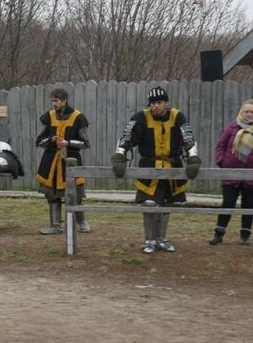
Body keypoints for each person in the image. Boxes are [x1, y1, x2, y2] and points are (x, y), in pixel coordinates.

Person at [111, 86, 200, 254]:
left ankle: (162, 238)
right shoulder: (141, 118)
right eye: (153, 103)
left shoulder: (177, 116)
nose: (156, 106)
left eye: (159, 102)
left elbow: (188, 137)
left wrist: (193, 158)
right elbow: (126, 138)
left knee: (167, 204)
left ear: (165, 103)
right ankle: (149, 240)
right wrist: (119, 156)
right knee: (150, 204)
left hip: (172, 166)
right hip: (149, 166)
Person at [35, 88, 91, 235]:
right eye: (53, 100)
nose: (54, 104)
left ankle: (82, 223)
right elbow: (39, 142)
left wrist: (68, 142)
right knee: (53, 195)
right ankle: (55, 225)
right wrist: (51, 140)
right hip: (51, 161)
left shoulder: (78, 117)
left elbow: (85, 143)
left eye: (57, 100)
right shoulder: (49, 117)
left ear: (65, 100)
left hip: (71, 159)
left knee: (75, 195)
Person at [209, 99, 253, 246]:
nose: (249, 114)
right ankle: (218, 234)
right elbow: (221, 145)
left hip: (250, 175)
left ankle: (245, 235)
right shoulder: (232, 127)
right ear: (241, 112)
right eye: (246, 111)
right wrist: (222, 161)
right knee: (228, 203)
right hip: (231, 173)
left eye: (252, 112)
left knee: (249, 206)